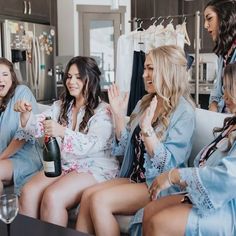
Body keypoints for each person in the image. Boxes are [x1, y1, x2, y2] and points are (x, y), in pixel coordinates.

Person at [75, 45, 196, 236]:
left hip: (157, 184)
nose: (143, 74)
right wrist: (117, 114)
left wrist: (148, 131)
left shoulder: (184, 112)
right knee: (88, 195)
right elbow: (124, 149)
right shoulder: (144, 103)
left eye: (150, 68)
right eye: (145, 68)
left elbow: (169, 165)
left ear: (167, 70)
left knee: (99, 200)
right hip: (134, 177)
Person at [14, 56, 119, 226]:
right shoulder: (62, 106)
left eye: (78, 77)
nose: (71, 81)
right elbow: (37, 127)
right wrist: (25, 115)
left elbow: (94, 143)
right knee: (28, 191)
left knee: (53, 196)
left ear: (91, 79)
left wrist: (62, 132)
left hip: (94, 167)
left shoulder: (103, 111)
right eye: (69, 77)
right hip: (66, 164)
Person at [143, 62, 236, 236]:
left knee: (159, 222)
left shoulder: (183, 111)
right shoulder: (231, 124)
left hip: (228, 206)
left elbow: (228, 177)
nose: (223, 96)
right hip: (207, 193)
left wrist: (176, 175)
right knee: (149, 211)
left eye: (229, 89)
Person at [0, 57, 42, 195]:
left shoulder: (21, 92)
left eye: (4, 74)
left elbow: (24, 135)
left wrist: (1, 157)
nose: (1, 79)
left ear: (12, 77)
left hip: (24, 156)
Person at [205, 0, 236, 112]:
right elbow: (218, 89)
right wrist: (213, 103)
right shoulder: (223, 54)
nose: (205, 25)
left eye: (209, 18)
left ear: (224, 17)